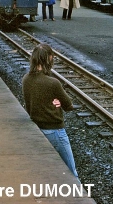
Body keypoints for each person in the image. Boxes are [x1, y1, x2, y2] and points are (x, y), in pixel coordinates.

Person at [22, 44, 78, 179]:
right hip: (55, 131)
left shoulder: (26, 79)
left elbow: (32, 103)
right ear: (49, 59)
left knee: (46, 173)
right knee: (71, 173)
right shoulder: (53, 83)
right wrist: (56, 102)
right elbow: (69, 106)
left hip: (37, 129)